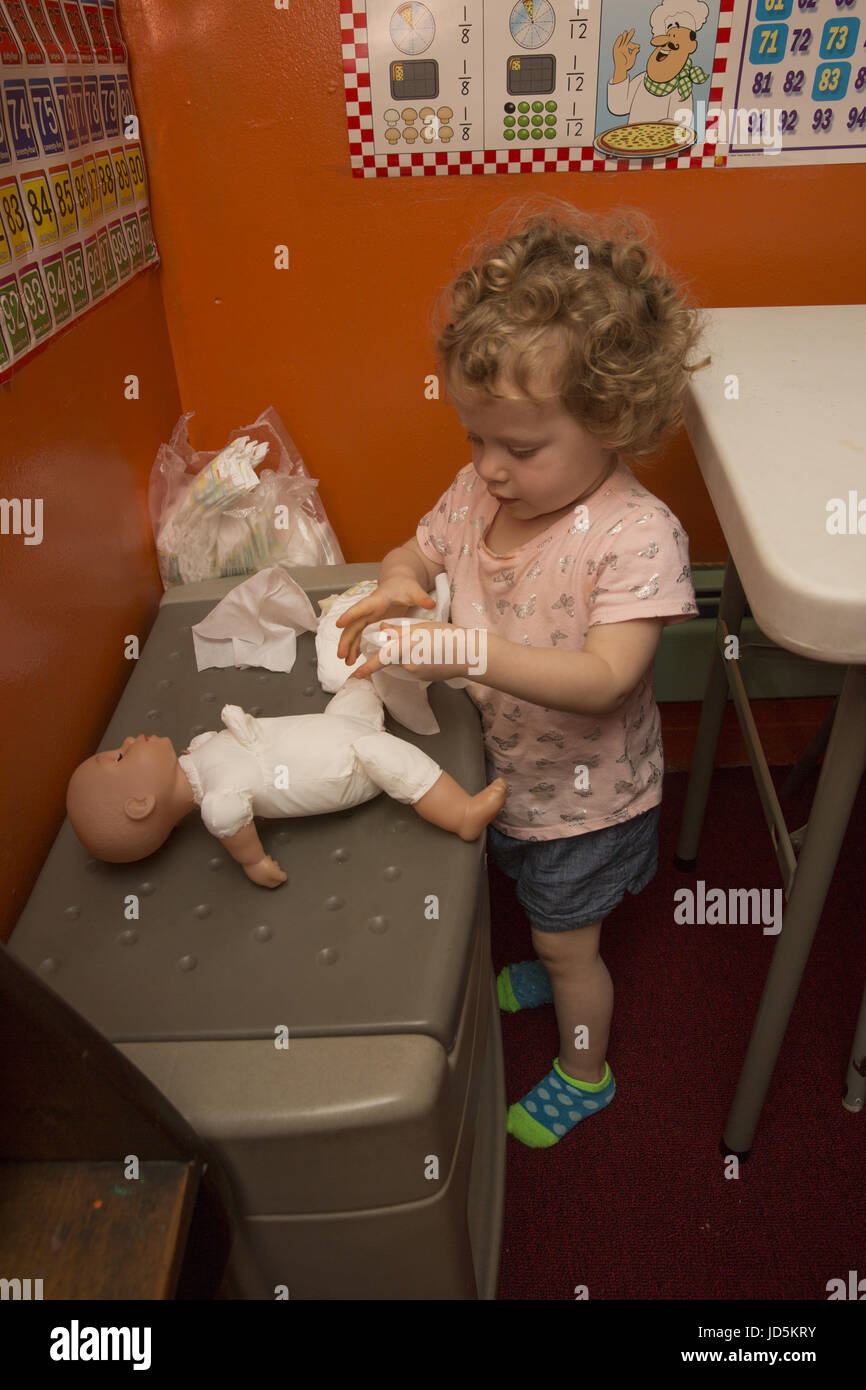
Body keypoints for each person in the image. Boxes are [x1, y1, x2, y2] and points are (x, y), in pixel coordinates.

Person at [336, 199, 710, 1148]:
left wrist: (468, 649)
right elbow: (416, 553)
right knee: (532, 894)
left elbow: (606, 678)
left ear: (614, 420)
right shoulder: (478, 494)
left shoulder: (634, 537)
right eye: (475, 437)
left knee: (563, 935)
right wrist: (394, 584)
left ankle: (586, 1069)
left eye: (522, 447)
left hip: (587, 802)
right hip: (508, 774)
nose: (489, 469)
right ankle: (555, 948)